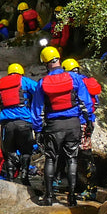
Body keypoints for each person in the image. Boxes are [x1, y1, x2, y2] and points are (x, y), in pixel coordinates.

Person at [32, 46, 85, 205]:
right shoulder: (74, 78)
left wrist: (37, 129)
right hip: (73, 124)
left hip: (54, 125)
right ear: (59, 60)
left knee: (50, 158)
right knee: (72, 159)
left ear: (46, 63)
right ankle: (72, 198)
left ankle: (48, 197)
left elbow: (36, 109)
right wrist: (86, 121)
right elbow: (86, 102)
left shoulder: (42, 82)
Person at [63, 58, 102, 197]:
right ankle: (89, 187)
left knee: (74, 156)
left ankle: (87, 189)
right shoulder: (88, 81)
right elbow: (95, 103)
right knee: (86, 155)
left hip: (74, 122)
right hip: (88, 122)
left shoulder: (70, 81)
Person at [0, 62, 39, 182]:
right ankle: (24, 177)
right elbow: (39, 91)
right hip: (24, 122)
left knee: (8, 153)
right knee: (26, 151)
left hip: (6, 125)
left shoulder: (1, 84)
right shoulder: (24, 81)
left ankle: (10, 179)